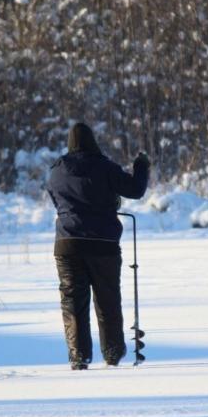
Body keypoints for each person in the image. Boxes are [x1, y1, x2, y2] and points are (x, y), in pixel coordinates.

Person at [46, 122, 150, 370]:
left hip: (67, 245)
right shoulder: (105, 167)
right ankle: (112, 353)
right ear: (93, 141)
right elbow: (135, 190)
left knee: (73, 302)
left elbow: (57, 202)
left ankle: (78, 356)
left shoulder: (56, 171)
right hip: (103, 244)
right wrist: (141, 166)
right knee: (107, 300)